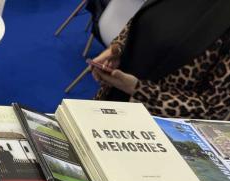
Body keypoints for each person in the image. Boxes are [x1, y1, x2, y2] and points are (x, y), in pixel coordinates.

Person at [91, 0, 230, 119]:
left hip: (161, 127)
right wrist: (117, 48)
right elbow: (143, 20)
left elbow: (214, 111)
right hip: (113, 99)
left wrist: (139, 90)